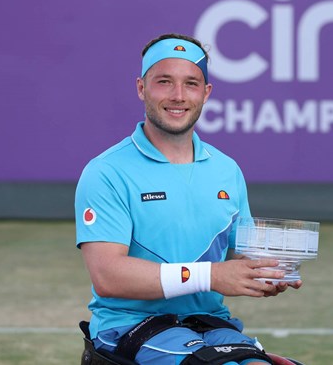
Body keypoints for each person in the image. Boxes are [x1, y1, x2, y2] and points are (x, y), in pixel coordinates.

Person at [75, 33, 302, 365]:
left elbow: (240, 256)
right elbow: (108, 275)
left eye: (191, 84)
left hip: (209, 325)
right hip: (129, 328)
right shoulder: (106, 171)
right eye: (164, 82)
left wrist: (270, 273)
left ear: (206, 93)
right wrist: (212, 275)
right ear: (141, 88)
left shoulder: (227, 169)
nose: (178, 96)